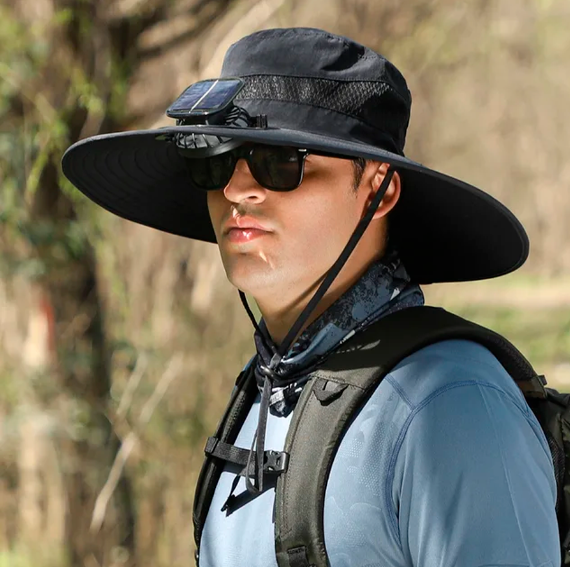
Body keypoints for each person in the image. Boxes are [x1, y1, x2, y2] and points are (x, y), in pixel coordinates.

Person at [62, 27, 560, 567]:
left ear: (379, 189)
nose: (236, 189)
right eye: (216, 160)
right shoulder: (263, 388)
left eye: (281, 162)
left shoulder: (450, 405)